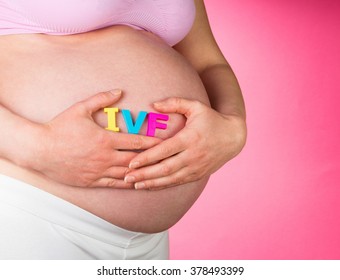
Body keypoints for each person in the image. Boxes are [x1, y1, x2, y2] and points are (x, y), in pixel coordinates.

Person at [0, 0, 246, 259]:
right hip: (30, 205)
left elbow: (208, 62)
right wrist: (37, 148)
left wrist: (233, 124)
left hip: (147, 241)